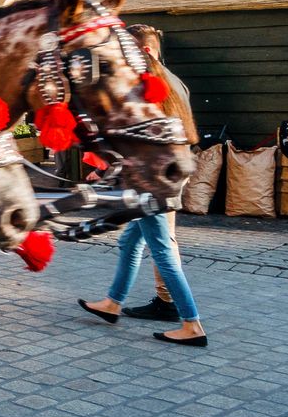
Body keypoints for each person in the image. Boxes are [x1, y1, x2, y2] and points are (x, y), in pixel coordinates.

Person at [82, 27, 206, 345]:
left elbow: (142, 136)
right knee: (130, 242)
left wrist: (112, 166)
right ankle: (112, 303)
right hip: (167, 173)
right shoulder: (172, 81)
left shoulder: (149, 87)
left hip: (152, 179)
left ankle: (192, 325)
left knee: (163, 251)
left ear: (143, 52)